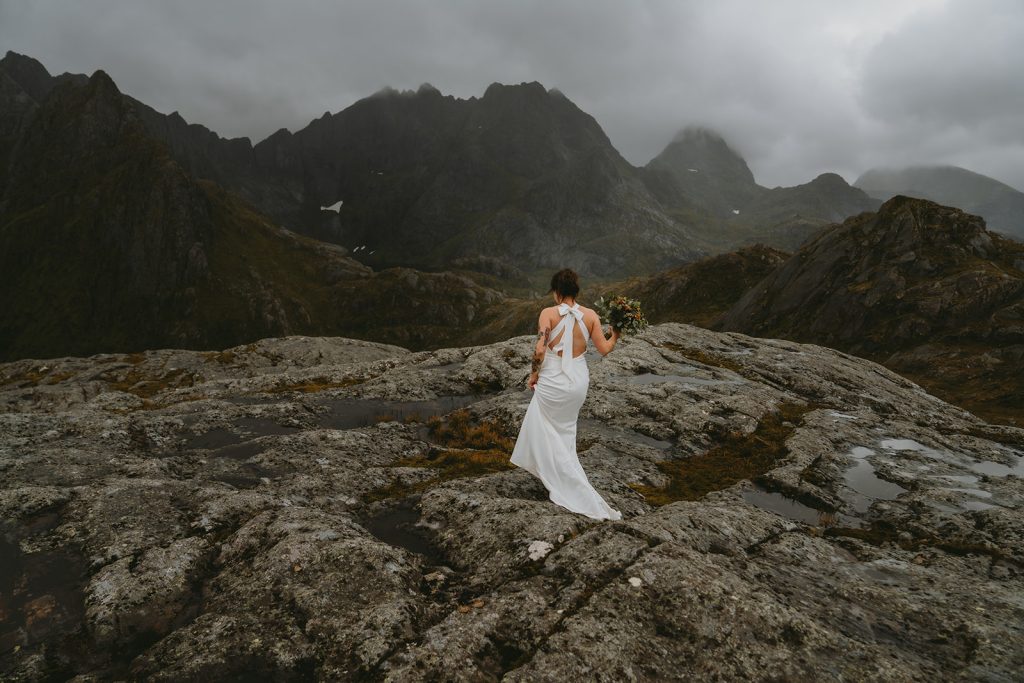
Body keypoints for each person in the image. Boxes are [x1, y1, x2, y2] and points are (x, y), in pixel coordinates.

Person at [510, 268, 622, 520]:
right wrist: (615, 334)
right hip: (578, 382)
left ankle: (560, 476)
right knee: (566, 428)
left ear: (557, 292)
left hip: (553, 380)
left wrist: (534, 374)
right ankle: (564, 471)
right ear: (576, 291)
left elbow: (540, 350)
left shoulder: (548, 313)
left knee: (545, 425)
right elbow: (604, 349)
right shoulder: (591, 315)